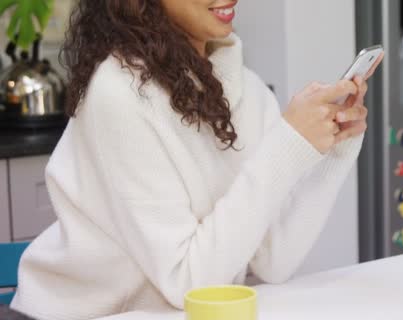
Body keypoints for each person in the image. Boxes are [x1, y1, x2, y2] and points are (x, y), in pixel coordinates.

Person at [10, 1, 383, 319]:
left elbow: (275, 260)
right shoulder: (118, 92)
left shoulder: (248, 90)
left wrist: (333, 147)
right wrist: (289, 143)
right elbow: (187, 283)